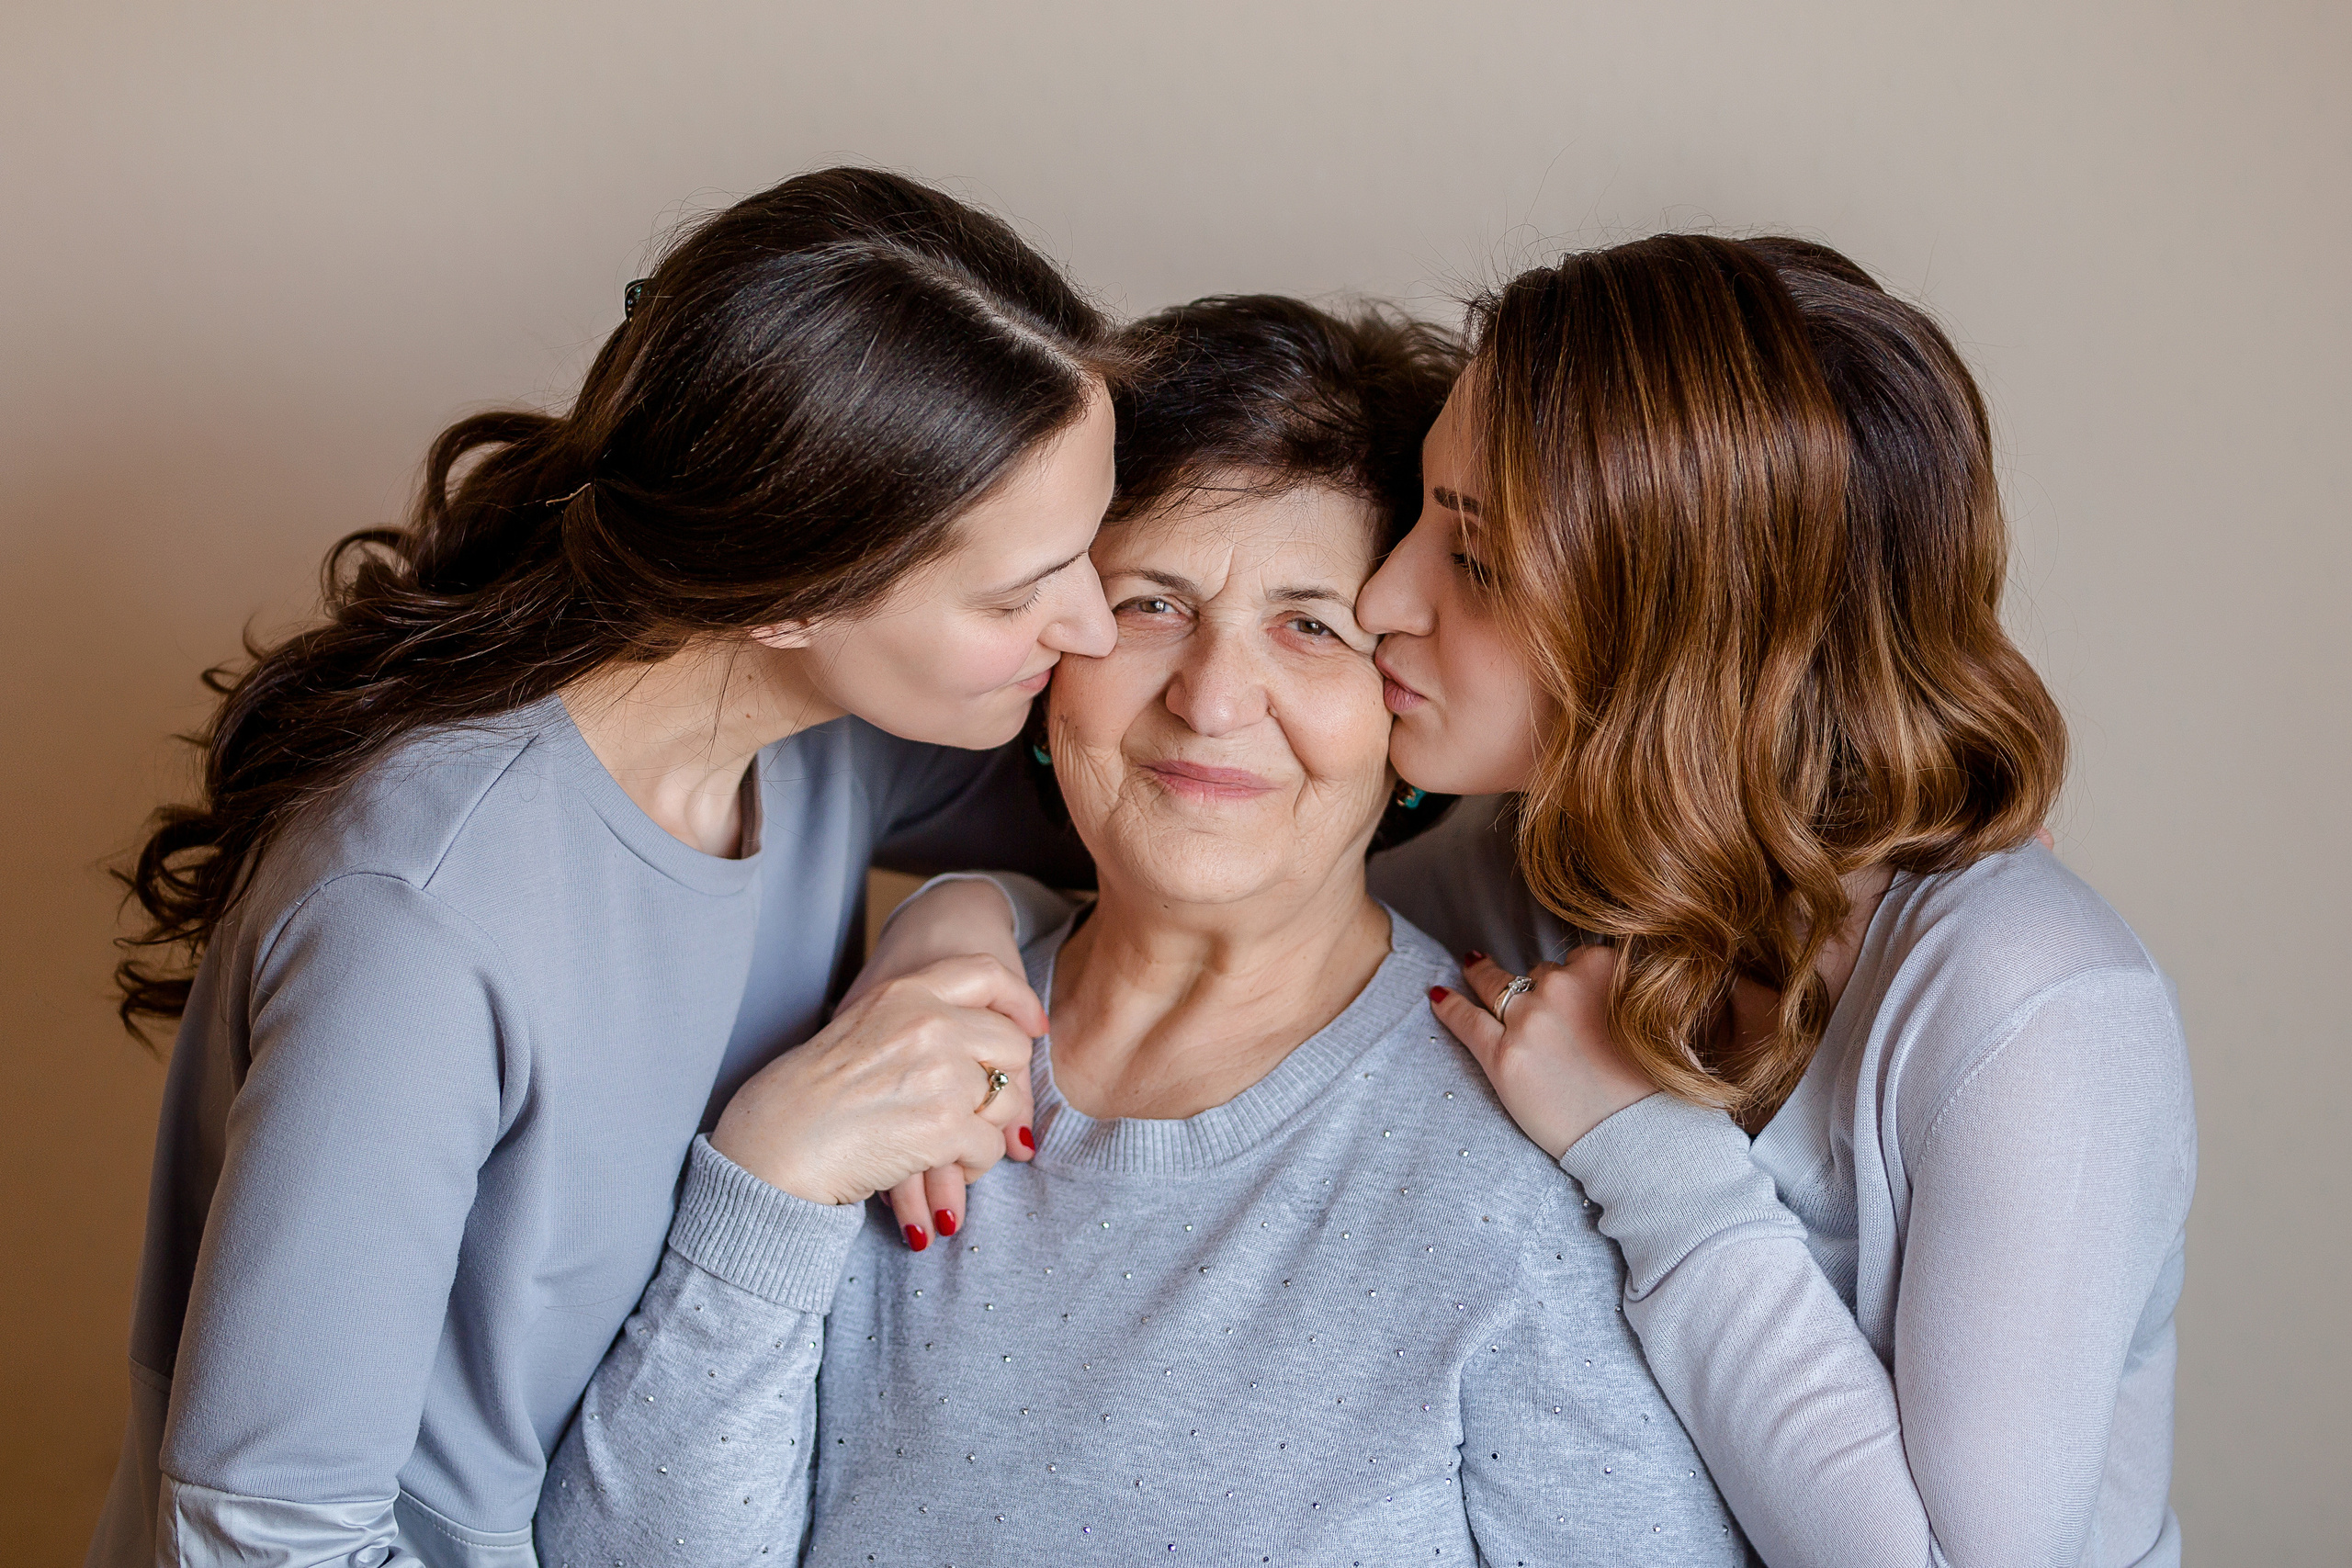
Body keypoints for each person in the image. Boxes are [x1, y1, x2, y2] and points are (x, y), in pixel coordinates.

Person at [533, 297, 1745, 1568]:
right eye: (1152, 604)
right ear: (1053, 645)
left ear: (1408, 693)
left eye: (1311, 625)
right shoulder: (890, 1049)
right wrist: (772, 1188)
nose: (1213, 698)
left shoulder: (1514, 1182)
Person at [91, 168, 1127, 1568]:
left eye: (1092, 554)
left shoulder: (821, 734)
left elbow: (1167, 842)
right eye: (1020, 592)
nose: (1095, 628)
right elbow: (264, 1536)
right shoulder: (422, 918)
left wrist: (949, 922)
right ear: (790, 593)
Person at [1356, 235, 2195, 1566]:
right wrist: (970, 920)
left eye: (1478, 560)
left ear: (1689, 636)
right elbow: (1238, 928)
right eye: (1417, 518)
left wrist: (1643, 1150)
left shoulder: (2036, 1010)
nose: (1377, 597)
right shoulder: (1549, 867)